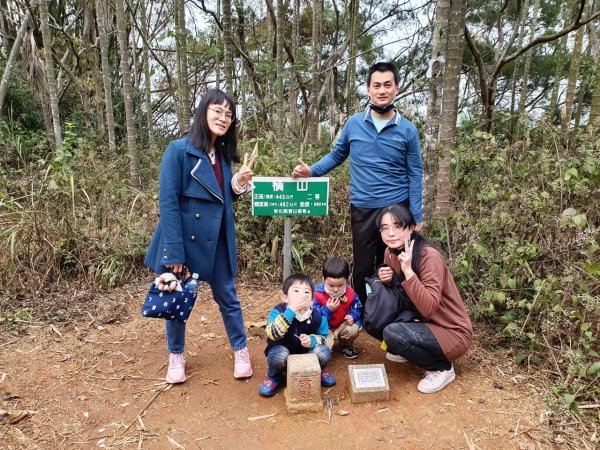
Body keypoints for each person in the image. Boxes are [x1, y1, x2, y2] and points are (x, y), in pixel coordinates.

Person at [145, 88, 258, 384]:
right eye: (217, 111)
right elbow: (168, 203)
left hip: (218, 237)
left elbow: (219, 198)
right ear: (203, 112)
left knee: (228, 297)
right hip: (184, 240)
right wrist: (174, 253)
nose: (223, 118)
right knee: (175, 299)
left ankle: (241, 351)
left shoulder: (221, 154)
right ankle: (176, 356)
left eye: (229, 114)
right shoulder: (178, 150)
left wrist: (237, 184)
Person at [292, 61, 423, 310]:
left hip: (396, 209)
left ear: (397, 88)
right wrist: (311, 171)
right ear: (368, 89)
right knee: (363, 266)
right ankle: (362, 313)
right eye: (377, 85)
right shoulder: (354, 123)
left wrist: (416, 214)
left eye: (387, 85)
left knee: (394, 265)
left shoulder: (407, 130)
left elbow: (415, 173)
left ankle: (394, 313)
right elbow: (336, 155)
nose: (382, 90)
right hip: (363, 207)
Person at [374, 204, 472, 393]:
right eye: (385, 228)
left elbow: (428, 307)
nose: (390, 233)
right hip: (422, 321)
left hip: (451, 331)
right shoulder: (390, 252)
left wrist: (408, 270)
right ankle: (408, 348)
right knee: (374, 318)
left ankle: (441, 368)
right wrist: (388, 279)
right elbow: (400, 295)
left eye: (397, 226)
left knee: (393, 334)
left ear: (411, 228)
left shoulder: (429, 256)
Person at [259, 273, 337, 397]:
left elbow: (323, 338)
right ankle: (274, 376)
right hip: (282, 355)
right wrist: (291, 310)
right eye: (296, 291)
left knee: (324, 352)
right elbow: (273, 334)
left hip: (307, 357)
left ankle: (317, 371)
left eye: (306, 292)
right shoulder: (278, 312)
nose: (302, 295)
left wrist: (311, 340)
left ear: (312, 301)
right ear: (285, 298)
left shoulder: (318, 317)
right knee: (279, 355)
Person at [312, 257, 363, 359]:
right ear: (323, 279)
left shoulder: (350, 293)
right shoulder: (316, 294)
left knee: (353, 329)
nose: (336, 289)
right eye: (331, 285)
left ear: (347, 280)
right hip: (324, 329)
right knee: (323, 352)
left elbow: (357, 307)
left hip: (341, 325)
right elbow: (313, 316)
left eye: (340, 285)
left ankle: (345, 344)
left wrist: (352, 315)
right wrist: (328, 309)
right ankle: (321, 347)